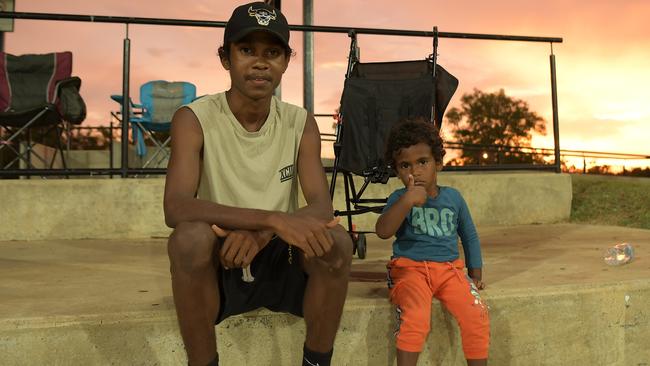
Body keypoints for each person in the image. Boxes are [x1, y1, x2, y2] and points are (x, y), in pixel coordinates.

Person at [163, 2, 353, 366]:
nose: (260, 62)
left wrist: (266, 231)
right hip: (224, 253)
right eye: (247, 50)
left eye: (273, 53)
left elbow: (320, 206)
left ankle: (316, 362)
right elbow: (177, 206)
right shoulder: (194, 118)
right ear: (226, 58)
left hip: (279, 249)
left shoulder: (300, 122)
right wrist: (269, 219)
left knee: (338, 244)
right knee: (188, 240)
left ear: (285, 61)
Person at [375, 118, 490, 366]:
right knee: (416, 316)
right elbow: (383, 230)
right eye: (405, 165)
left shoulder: (453, 198)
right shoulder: (398, 198)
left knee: (477, 314)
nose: (414, 171)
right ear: (397, 171)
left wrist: (475, 272)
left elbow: (468, 235)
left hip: (450, 270)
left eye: (423, 162)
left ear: (437, 162)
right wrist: (406, 201)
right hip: (410, 270)